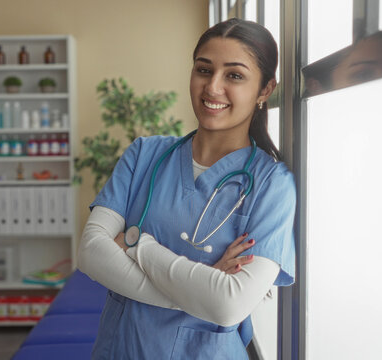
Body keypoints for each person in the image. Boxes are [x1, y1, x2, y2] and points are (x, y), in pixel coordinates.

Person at [78, 18, 296, 360]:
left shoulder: (272, 185)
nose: (212, 87)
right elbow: (91, 253)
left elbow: (228, 305)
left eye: (234, 75)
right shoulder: (144, 154)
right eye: (204, 70)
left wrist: (138, 245)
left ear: (265, 90)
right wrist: (202, 288)